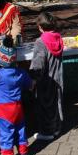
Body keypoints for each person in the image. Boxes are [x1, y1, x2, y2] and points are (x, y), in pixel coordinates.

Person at [30, 12, 64, 141]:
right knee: (57, 102)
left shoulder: (40, 42)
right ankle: (57, 128)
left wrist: (33, 78)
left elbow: (38, 63)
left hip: (45, 79)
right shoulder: (58, 38)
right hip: (58, 77)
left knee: (44, 105)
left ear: (40, 27)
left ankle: (47, 132)